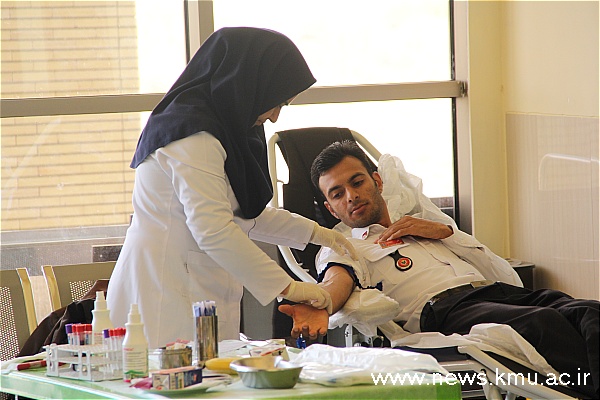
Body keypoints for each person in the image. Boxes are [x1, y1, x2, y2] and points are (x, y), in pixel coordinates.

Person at [279, 140, 599, 398]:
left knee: (588, 311)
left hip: (494, 293)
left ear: (377, 181)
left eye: (357, 182)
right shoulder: (344, 247)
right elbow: (336, 281)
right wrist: (321, 304)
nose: (352, 196)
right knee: (542, 324)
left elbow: (498, 270)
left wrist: (445, 232)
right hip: (445, 311)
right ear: (331, 208)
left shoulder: (425, 226)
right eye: (338, 194)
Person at [107, 28, 357, 349]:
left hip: (197, 285)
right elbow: (213, 230)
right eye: (276, 103)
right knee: (173, 376)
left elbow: (243, 214)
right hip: (163, 292)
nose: (275, 117)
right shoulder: (192, 134)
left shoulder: (229, 128)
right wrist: (289, 288)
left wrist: (319, 233)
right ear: (251, 85)